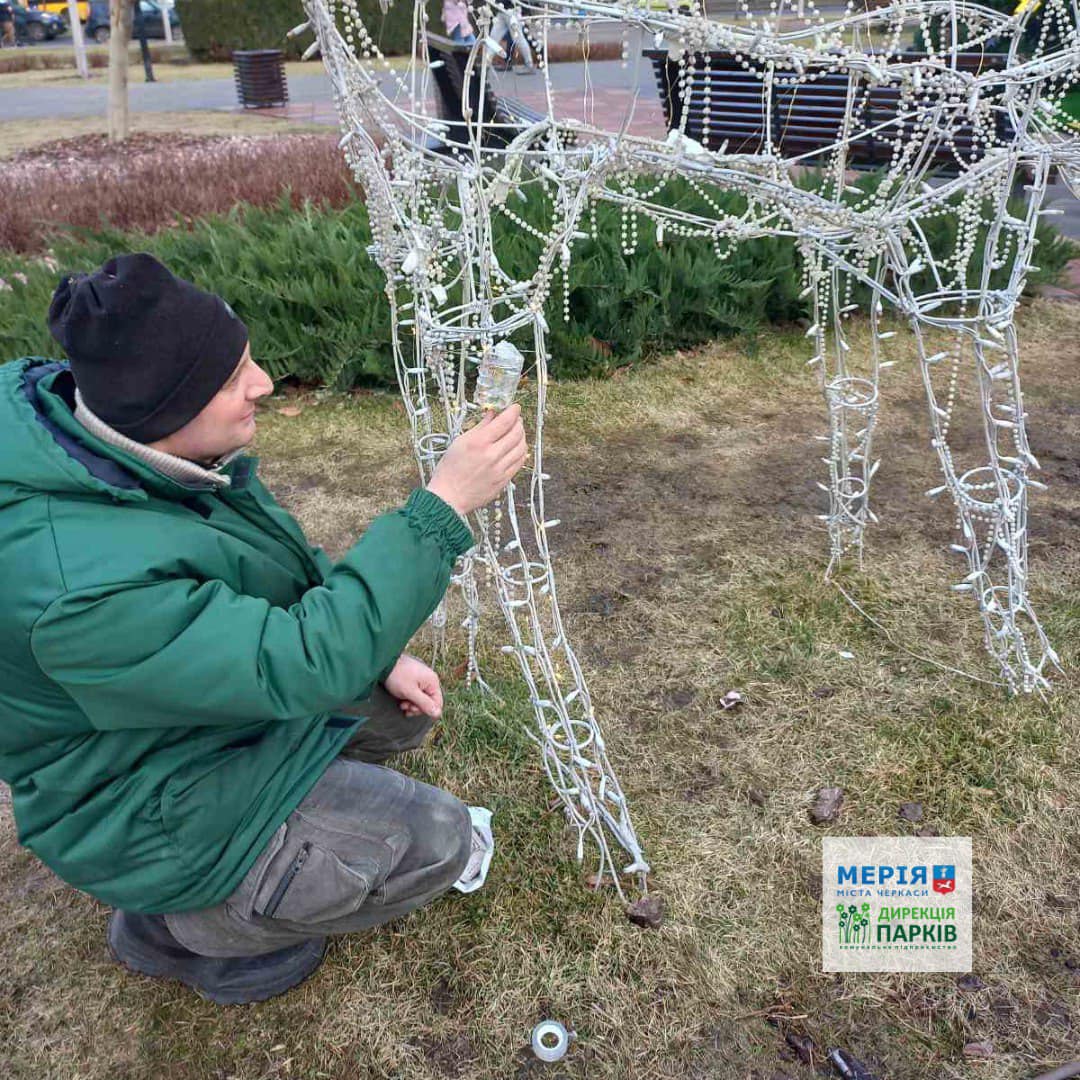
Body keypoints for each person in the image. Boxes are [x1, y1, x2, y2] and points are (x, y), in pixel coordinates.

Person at [0, 253, 528, 1004]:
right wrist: (441, 509)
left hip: (171, 725)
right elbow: (303, 661)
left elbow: (268, 567)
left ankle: (255, 843)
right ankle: (186, 925)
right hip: (139, 803)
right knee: (437, 841)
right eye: (230, 378)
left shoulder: (129, 453)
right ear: (164, 406)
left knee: (396, 718)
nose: (264, 384)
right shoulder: (80, 590)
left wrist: (373, 657)